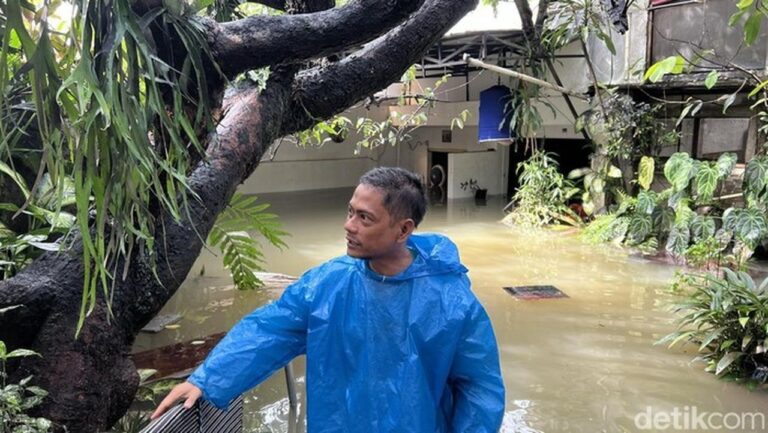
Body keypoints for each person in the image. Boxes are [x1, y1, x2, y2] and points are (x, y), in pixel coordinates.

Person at [152, 167, 505, 431]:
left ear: (403, 230)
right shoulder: (326, 284)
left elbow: (479, 389)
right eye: (350, 211)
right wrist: (207, 379)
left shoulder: (452, 303)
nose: (349, 225)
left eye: (365, 218)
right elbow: (268, 331)